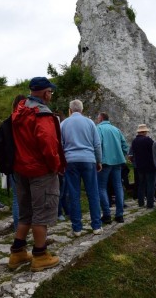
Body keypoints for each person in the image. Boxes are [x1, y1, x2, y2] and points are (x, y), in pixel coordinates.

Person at [8, 77, 66, 272]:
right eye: (50, 91)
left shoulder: (20, 110)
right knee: (41, 213)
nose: (51, 94)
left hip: (21, 168)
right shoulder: (42, 113)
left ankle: (17, 253)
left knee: (26, 213)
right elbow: (48, 144)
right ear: (44, 92)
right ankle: (40, 256)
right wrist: (56, 166)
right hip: (41, 170)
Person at [60, 99, 102, 236]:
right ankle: (96, 226)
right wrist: (99, 161)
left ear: (70, 110)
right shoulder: (90, 123)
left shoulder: (63, 124)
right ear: (82, 110)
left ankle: (77, 228)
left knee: (74, 194)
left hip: (70, 161)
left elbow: (60, 145)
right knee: (93, 193)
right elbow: (97, 144)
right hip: (88, 159)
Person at [97, 112, 128, 224]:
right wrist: (120, 155)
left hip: (105, 162)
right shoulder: (116, 129)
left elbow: (98, 144)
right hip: (118, 162)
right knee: (118, 187)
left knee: (101, 187)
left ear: (100, 118)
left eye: (97, 118)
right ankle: (119, 215)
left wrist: (98, 160)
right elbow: (125, 146)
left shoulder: (99, 128)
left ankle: (107, 214)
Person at [9, 94, 26, 231]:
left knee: (17, 198)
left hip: (13, 163)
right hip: (28, 163)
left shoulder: (9, 121)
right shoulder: (28, 119)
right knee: (29, 198)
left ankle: (17, 230)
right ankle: (27, 229)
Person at [131, 124, 156, 208]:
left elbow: (133, 154)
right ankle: (150, 204)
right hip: (150, 165)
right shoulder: (148, 140)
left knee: (141, 184)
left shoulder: (134, 141)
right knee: (150, 185)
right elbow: (154, 151)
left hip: (139, 166)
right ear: (144, 131)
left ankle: (141, 202)